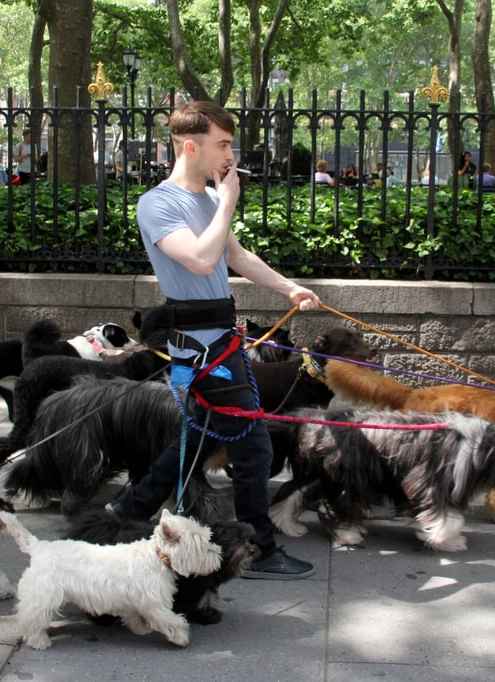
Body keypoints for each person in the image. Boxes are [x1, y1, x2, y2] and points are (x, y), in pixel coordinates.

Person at [106, 100, 321, 580]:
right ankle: (259, 550)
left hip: (219, 338)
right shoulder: (157, 203)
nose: (231, 154)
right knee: (254, 448)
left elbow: (235, 257)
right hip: (199, 346)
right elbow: (202, 261)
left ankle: (126, 511)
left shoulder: (206, 200)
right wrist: (227, 201)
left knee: (201, 436)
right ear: (190, 145)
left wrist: (290, 287)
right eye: (223, 144)